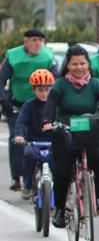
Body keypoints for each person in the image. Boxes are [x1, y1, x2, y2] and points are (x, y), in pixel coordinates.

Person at [42, 45, 99, 227]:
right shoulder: (60, 84)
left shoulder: (96, 84)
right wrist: (47, 121)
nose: (79, 67)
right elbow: (51, 105)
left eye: (82, 63)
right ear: (67, 65)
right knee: (62, 172)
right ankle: (60, 209)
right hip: (65, 131)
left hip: (88, 130)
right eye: (74, 64)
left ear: (88, 65)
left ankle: (97, 199)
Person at [1, 29, 57, 191]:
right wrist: (4, 101)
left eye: (40, 40)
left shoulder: (48, 56)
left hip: (44, 103)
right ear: (25, 41)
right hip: (17, 104)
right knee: (17, 137)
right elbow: (2, 79)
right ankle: (18, 178)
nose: (37, 43)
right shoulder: (13, 56)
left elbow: (57, 78)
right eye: (34, 40)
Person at [12, 69, 55, 200]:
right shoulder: (29, 105)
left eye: (47, 90)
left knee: (59, 162)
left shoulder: (56, 105)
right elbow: (20, 121)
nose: (43, 93)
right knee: (29, 156)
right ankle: (28, 185)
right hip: (34, 141)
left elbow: (63, 119)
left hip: (53, 141)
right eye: (40, 90)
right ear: (33, 89)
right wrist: (19, 135)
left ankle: (60, 189)